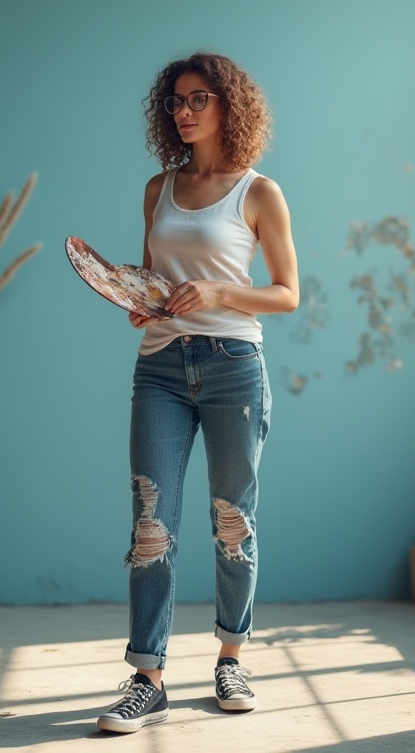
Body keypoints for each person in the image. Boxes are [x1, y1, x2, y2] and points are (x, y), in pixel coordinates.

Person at [96, 52, 299, 733]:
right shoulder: (157, 189)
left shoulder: (259, 192)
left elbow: (287, 294)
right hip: (159, 366)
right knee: (151, 529)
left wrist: (217, 291)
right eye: (176, 102)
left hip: (233, 366)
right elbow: (154, 280)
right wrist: (142, 302)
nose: (184, 113)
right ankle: (147, 676)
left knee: (230, 522)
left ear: (228, 106)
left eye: (199, 100)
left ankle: (231, 656)